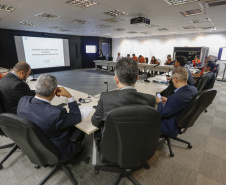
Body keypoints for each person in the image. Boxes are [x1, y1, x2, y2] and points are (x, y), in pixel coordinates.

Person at [17, 73, 84, 161]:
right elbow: (76, 117)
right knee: (80, 128)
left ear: (37, 87)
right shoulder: (57, 113)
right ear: (54, 92)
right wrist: (69, 97)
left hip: (33, 146)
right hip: (56, 151)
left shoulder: (23, 101)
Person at [92, 57, 156, 129]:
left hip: (113, 139)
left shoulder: (105, 98)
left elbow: (95, 122)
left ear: (116, 79)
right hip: (141, 138)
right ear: (137, 78)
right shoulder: (150, 100)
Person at [156, 67, 198, 138]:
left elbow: (162, 114)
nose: (172, 81)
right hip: (181, 119)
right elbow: (182, 101)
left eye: (172, 79)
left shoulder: (176, 97)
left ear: (175, 79)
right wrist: (168, 100)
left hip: (170, 125)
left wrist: (159, 102)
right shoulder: (194, 89)